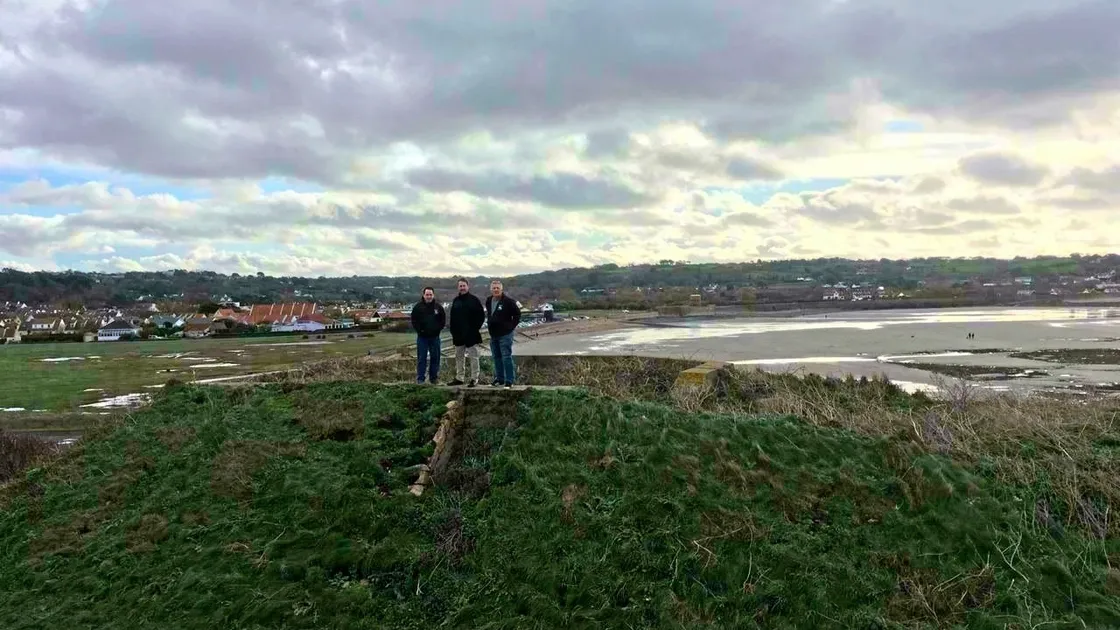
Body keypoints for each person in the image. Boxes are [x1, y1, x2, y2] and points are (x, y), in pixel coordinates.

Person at [447, 278, 485, 387]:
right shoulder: (456, 301)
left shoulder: (474, 300)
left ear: (468, 286)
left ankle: (474, 379)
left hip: (471, 334)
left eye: (464, 286)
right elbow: (452, 318)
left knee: (474, 356)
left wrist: (474, 329)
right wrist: (453, 331)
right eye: (460, 286)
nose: (462, 288)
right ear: (458, 287)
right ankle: (460, 377)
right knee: (459, 357)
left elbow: (481, 316)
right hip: (458, 334)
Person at [485, 279, 521, 388]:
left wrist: (511, 327)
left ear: (501, 289)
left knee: (506, 357)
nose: (496, 290)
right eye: (494, 288)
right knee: (496, 357)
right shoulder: (488, 300)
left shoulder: (508, 301)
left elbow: (517, 315)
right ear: (491, 289)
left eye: (498, 288)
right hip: (493, 334)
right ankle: (499, 379)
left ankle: (509, 380)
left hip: (505, 334)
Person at [410, 286, 445, 384]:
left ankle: (433, 378)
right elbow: (414, 321)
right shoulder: (418, 307)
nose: (429, 296)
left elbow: (443, 321)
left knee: (435, 358)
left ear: (433, 295)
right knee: (422, 358)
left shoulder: (438, 307)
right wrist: (420, 331)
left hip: (435, 337)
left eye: (430, 295)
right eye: (427, 295)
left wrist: (438, 330)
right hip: (422, 338)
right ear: (423, 295)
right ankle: (421, 379)